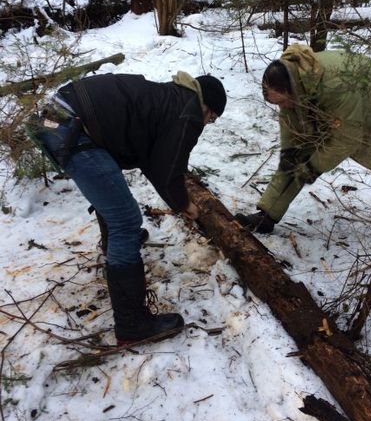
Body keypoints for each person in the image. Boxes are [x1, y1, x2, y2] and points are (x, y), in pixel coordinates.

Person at [30, 71, 227, 344]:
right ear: (206, 106)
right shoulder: (188, 111)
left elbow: (154, 158)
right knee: (125, 220)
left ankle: (114, 248)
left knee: (115, 203)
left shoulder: (169, 98)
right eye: (212, 118)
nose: (208, 123)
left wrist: (176, 192)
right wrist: (184, 204)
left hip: (55, 117)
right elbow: (166, 169)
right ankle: (132, 323)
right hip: (70, 127)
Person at [235, 44, 371, 266]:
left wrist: (313, 167)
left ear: (293, 90)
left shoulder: (335, 84)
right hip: (334, 107)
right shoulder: (291, 84)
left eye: (282, 101)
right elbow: (292, 129)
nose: (282, 107)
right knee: (293, 161)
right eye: (277, 103)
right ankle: (267, 216)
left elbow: (347, 138)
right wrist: (289, 155)